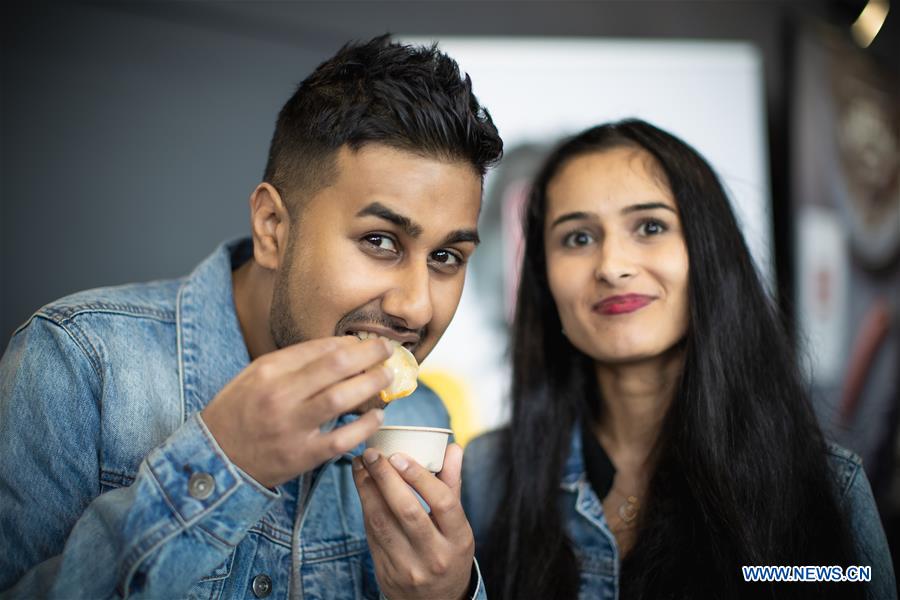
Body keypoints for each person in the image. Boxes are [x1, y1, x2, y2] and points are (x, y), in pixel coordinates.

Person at [0, 35, 502, 599]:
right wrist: (223, 463)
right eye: (380, 240)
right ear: (271, 228)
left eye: (445, 257)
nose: (416, 306)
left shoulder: (421, 416)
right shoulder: (77, 363)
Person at [461, 119, 896, 599]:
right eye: (578, 238)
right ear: (543, 279)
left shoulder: (826, 488)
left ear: (708, 252)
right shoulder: (486, 478)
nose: (612, 266)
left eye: (650, 227)